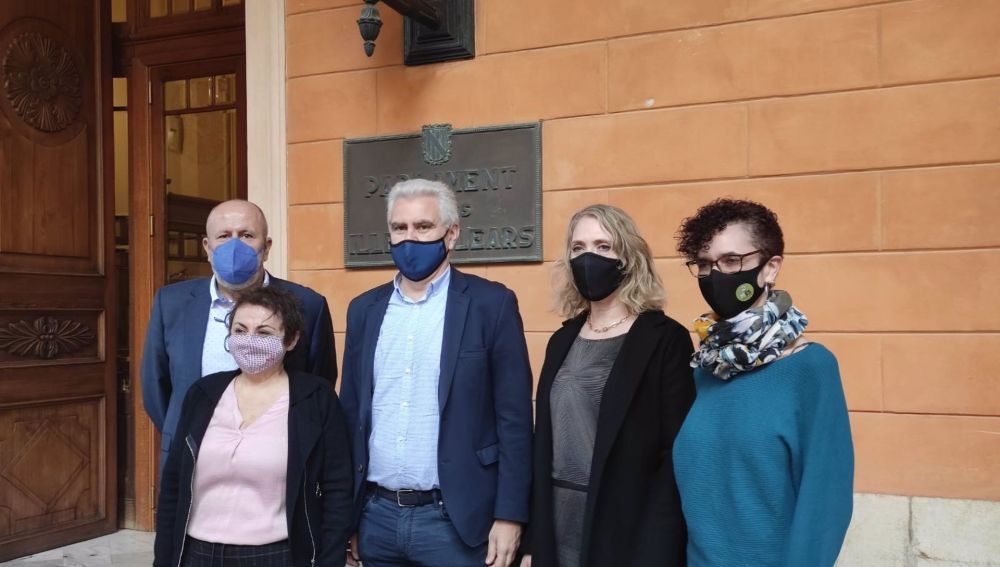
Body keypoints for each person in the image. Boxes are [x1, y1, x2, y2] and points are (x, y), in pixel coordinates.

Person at [339, 179, 534, 567]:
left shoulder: (491, 304)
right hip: (376, 519)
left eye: (424, 226)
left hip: (458, 522)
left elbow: (513, 419)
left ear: (452, 233)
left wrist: (510, 516)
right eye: (399, 227)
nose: (410, 238)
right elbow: (350, 413)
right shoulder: (363, 310)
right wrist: (348, 517)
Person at [672, 198, 854, 566]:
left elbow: (825, 502)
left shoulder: (810, 368)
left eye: (731, 260)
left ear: (770, 267)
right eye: (704, 264)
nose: (715, 275)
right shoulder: (704, 369)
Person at [520, 205, 694, 567]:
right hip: (556, 526)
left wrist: (656, 552)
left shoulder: (665, 339)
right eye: (579, 247)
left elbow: (675, 457)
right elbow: (544, 446)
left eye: (603, 247)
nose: (589, 258)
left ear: (628, 257)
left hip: (625, 534)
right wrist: (532, 543)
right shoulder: (562, 340)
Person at [153, 286, 353, 567]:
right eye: (240, 330)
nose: (249, 341)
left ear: (291, 340)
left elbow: (337, 488)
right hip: (196, 553)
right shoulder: (203, 393)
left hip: (274, 555)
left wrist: (329, 560)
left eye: (264, 333)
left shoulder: (315, 398)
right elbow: (173, 484)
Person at [142, 199, 336, 471]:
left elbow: (319, 382)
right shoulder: (171, 303)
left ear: (266, 247)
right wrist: (188, 430)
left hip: (278, 459)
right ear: (207, 247)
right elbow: (155, 386)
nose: (234, 246)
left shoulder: (308, 305)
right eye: (224, 236)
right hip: (192, 455)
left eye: (246, 235)